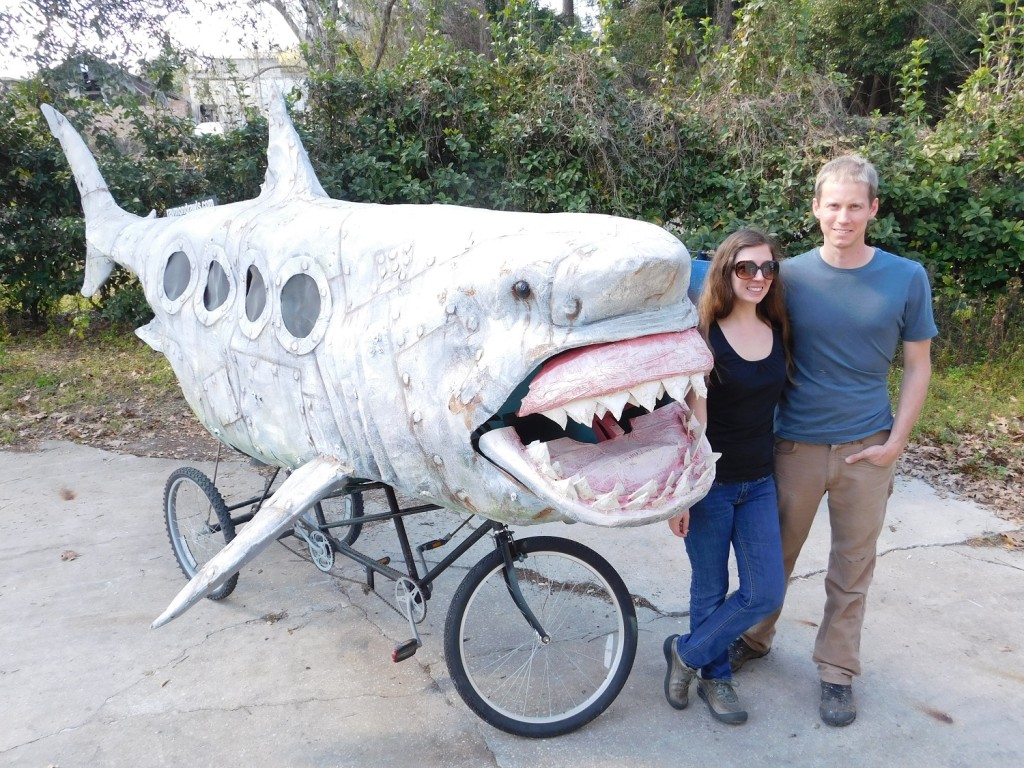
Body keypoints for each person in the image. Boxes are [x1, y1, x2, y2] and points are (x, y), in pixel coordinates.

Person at [728, 154, 937, 727]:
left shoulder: (905, 277)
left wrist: (896, 442)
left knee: (852, 566)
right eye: (833, 205)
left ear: (872, 209)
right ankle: (753, 637)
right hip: (792, 445)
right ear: (816, 208)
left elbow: (918, 365)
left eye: (854, 206)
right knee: (773, 559)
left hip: (867, 449)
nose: (842, 217)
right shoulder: (785, 277)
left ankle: (837, 670)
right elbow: (738, 334)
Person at [663, 227, 791, 725]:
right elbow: (691, 420)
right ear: (726, 272)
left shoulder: (778, 330)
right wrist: (682, 496)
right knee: (709, 589)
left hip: (759, 482)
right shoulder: (704, 336)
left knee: (765, 592)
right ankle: (716, 677)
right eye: (745, 268)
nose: (757, 277)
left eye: (766, 268)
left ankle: (686, 654)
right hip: (711, 485)